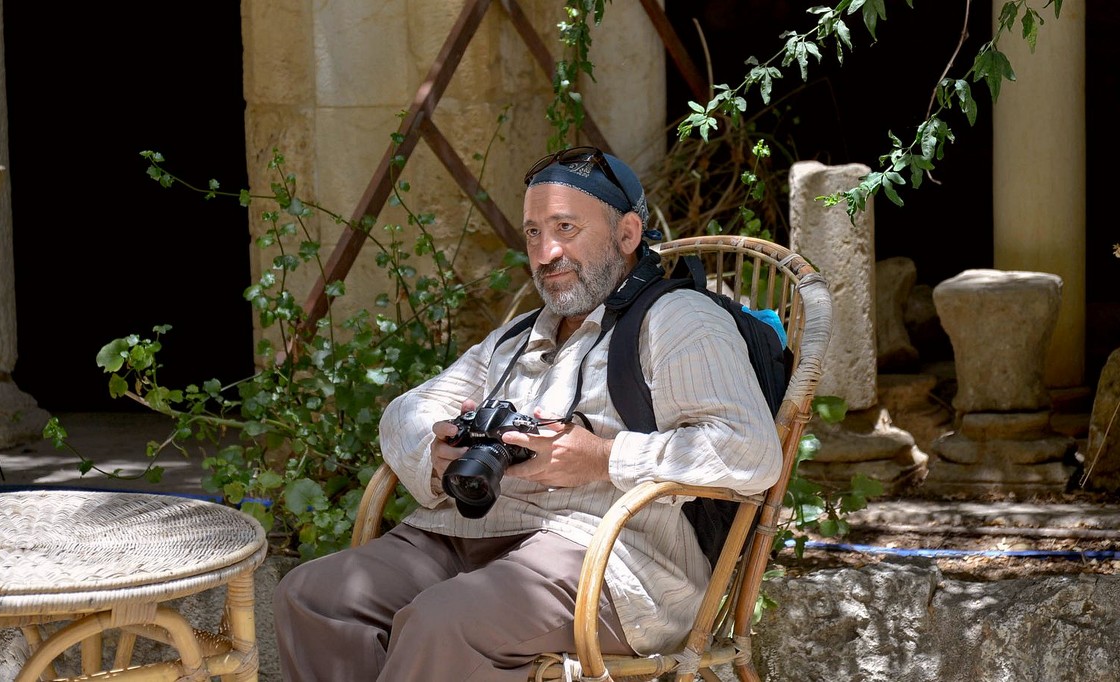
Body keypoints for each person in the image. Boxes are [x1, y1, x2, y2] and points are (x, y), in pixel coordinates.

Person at [272, 146, 781, 681]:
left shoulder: (678, 320)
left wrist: (603, 458)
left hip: (605, 557)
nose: (545, 252)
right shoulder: (519, 335)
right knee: (314, 597)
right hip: (467, 534)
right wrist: (435, 450)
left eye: (565, 227)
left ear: (628, 235)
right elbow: (409, 407)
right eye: (534, 233)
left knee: (443, 623)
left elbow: (748, 449)